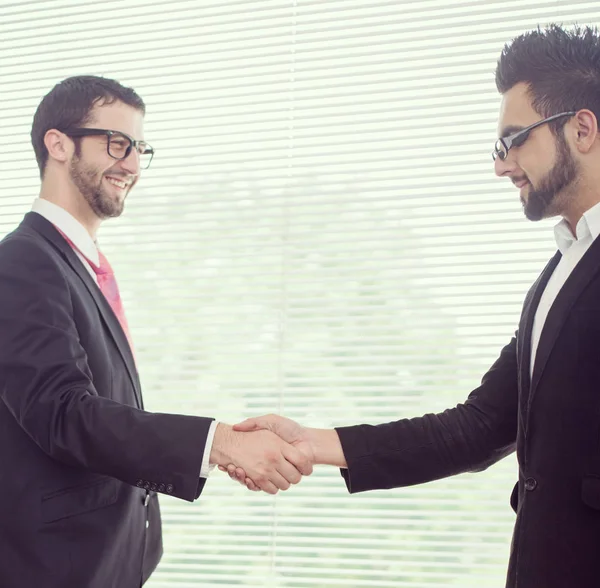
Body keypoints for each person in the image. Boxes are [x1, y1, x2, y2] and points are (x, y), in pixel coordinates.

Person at [222, 24, 600, 588]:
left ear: (583, 128)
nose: (500, 165)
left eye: (514, 139)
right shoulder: (561, 269)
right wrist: (313, 442)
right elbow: (479, 426)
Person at [0, 75, 312, 588]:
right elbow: (63, 413)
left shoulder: (82, 264)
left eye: (140, 147)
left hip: (113, 561)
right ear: (57, 144)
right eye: (117, 143)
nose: (132, 164)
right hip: (56, 567)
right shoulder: (22, 262)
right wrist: (220, 444)